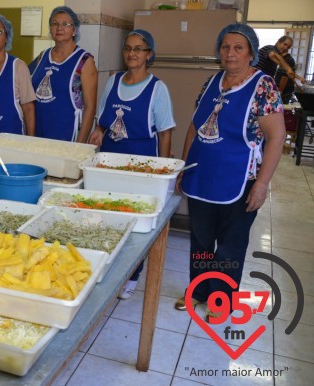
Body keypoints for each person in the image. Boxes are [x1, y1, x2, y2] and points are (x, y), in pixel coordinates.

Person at [176, 24, 285, 322]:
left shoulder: (263, 86)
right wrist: (184, 168)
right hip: (202, 177)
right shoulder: (212, 81)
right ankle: (198, 291)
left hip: (240, 181)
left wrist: (261, 184)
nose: (230, 53)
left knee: (229, 246)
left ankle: (220, 300)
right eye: (225, 46)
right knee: (200, 240)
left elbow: (277, 137)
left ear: (251, 51)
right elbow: (194, 128)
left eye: (238, 47)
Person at [88, 29, 176, 299]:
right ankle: (106, 266)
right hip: (110, 162)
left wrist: (161, 172)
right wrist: (100, 132)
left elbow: (165, 133)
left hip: (141, 165)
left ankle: (133, 274)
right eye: (128, 48)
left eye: (139, 49)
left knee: (135, 221)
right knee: (108, 215)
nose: (132, 53)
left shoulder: (157, 89)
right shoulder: (113, 81)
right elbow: (103, 119)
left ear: (149, 54)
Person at [29, 6, 97, 142]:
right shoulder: (42, 56)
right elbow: (24, 85)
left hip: (67, 134)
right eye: (55, 24)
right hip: (39, 132)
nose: (59, 28)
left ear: (74, 30)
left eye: (65, 24)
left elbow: (90, 108)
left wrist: (80, 146)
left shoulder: (84, 61)